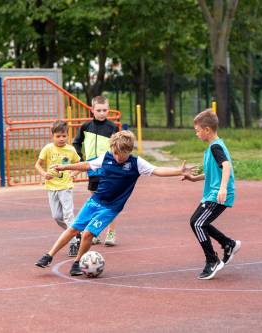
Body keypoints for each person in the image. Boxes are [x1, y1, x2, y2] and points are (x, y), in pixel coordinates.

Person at [35, 130, 196, 276]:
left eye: (121, 154)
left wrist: (178, 171)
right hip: (95, 200)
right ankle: (48, 256)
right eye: (115, 152)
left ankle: (77, 263)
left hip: (110, 208)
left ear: (129, 151)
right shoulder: (107, 157)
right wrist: (65, 167)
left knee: (88, 234)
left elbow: (157, 170)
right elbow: (86, 165)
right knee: (73, 229)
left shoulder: (136, 163)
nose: (118, 156)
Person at [181, 109, 241, 280]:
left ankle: (212, 260)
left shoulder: (215, 147)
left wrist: (222, 189)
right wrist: (194, 179)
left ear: (207, 129)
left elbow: (227, 166)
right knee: (199, 222)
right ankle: (228, 243)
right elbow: (213, 172)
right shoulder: (213, 147)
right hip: (213, 193)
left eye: (197, 130)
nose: (197, 134)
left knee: (198, 223)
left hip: (218, 194)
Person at [73, 96, 119, 246]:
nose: (102, 113)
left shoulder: (113, 127)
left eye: (105, 110)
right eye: (98, 110)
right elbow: (76, 142)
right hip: (93, 170)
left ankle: (111, 232)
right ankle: (95, 233)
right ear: (92, 110)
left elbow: (118, 147)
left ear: (108, 110)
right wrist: (81, 158)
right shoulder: (86, 127)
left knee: (109, 203)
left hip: (108, 169)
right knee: (96, 203)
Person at [35, 120, 81, 257]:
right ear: (52, 136)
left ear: (67, 136)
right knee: (57, 216)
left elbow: (79, 164)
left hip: (65, 187)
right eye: (58, 136)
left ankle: (73, 243)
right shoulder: (48, 149)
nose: (61, 139)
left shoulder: (71, 150)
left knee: (68, 215)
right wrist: (44, 174)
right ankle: (76, 232)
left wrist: (74, 173)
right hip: (52, 187)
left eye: (64, 136)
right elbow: (38, 165)